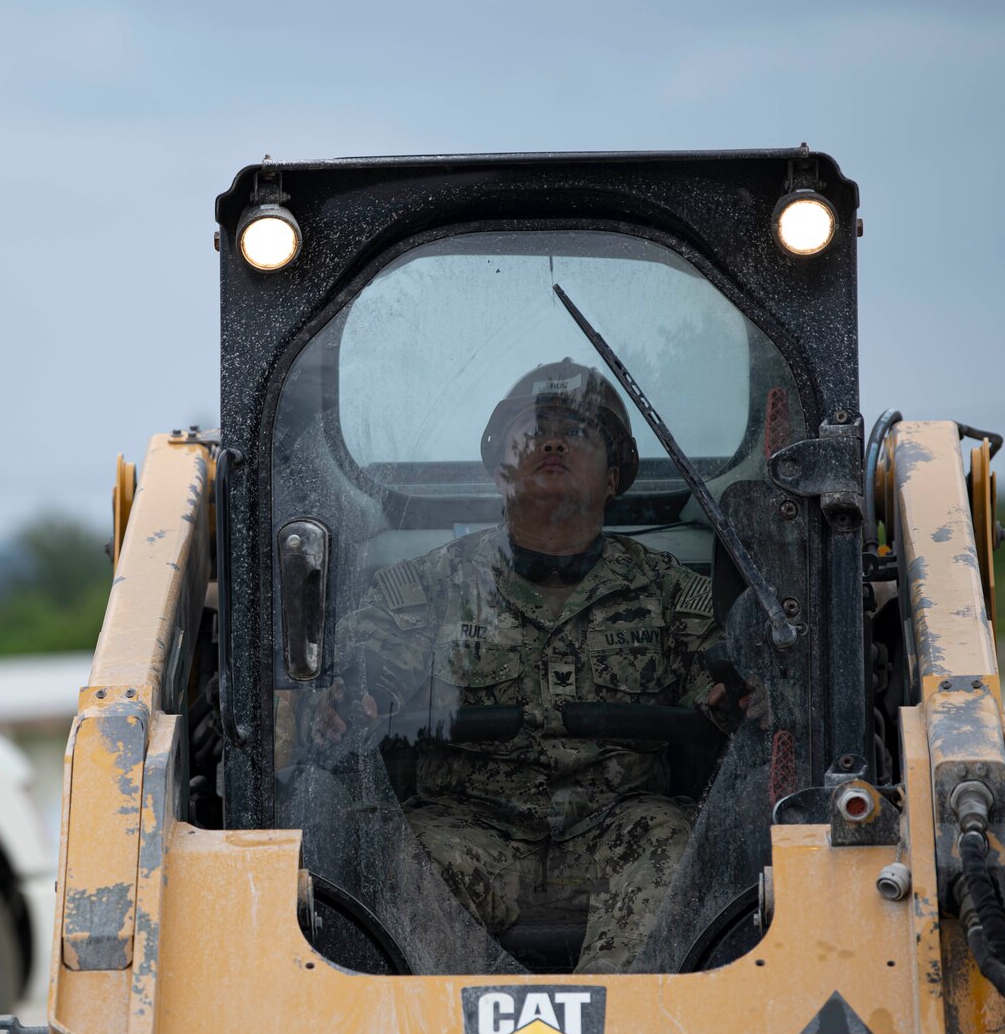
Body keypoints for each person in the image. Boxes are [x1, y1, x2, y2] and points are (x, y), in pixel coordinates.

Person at [317, 359, 739, 974]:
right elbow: (371, 661)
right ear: (498, 470)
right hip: (468, 828)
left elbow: (722, 679)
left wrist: (739, 692)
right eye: (531, 431)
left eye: (581, 433)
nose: (552, 442)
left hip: (619, 826)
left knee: (676, 842)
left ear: (615, 475)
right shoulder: (429, 585)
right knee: (399, 851)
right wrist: (358, 694)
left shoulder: (670, 590)